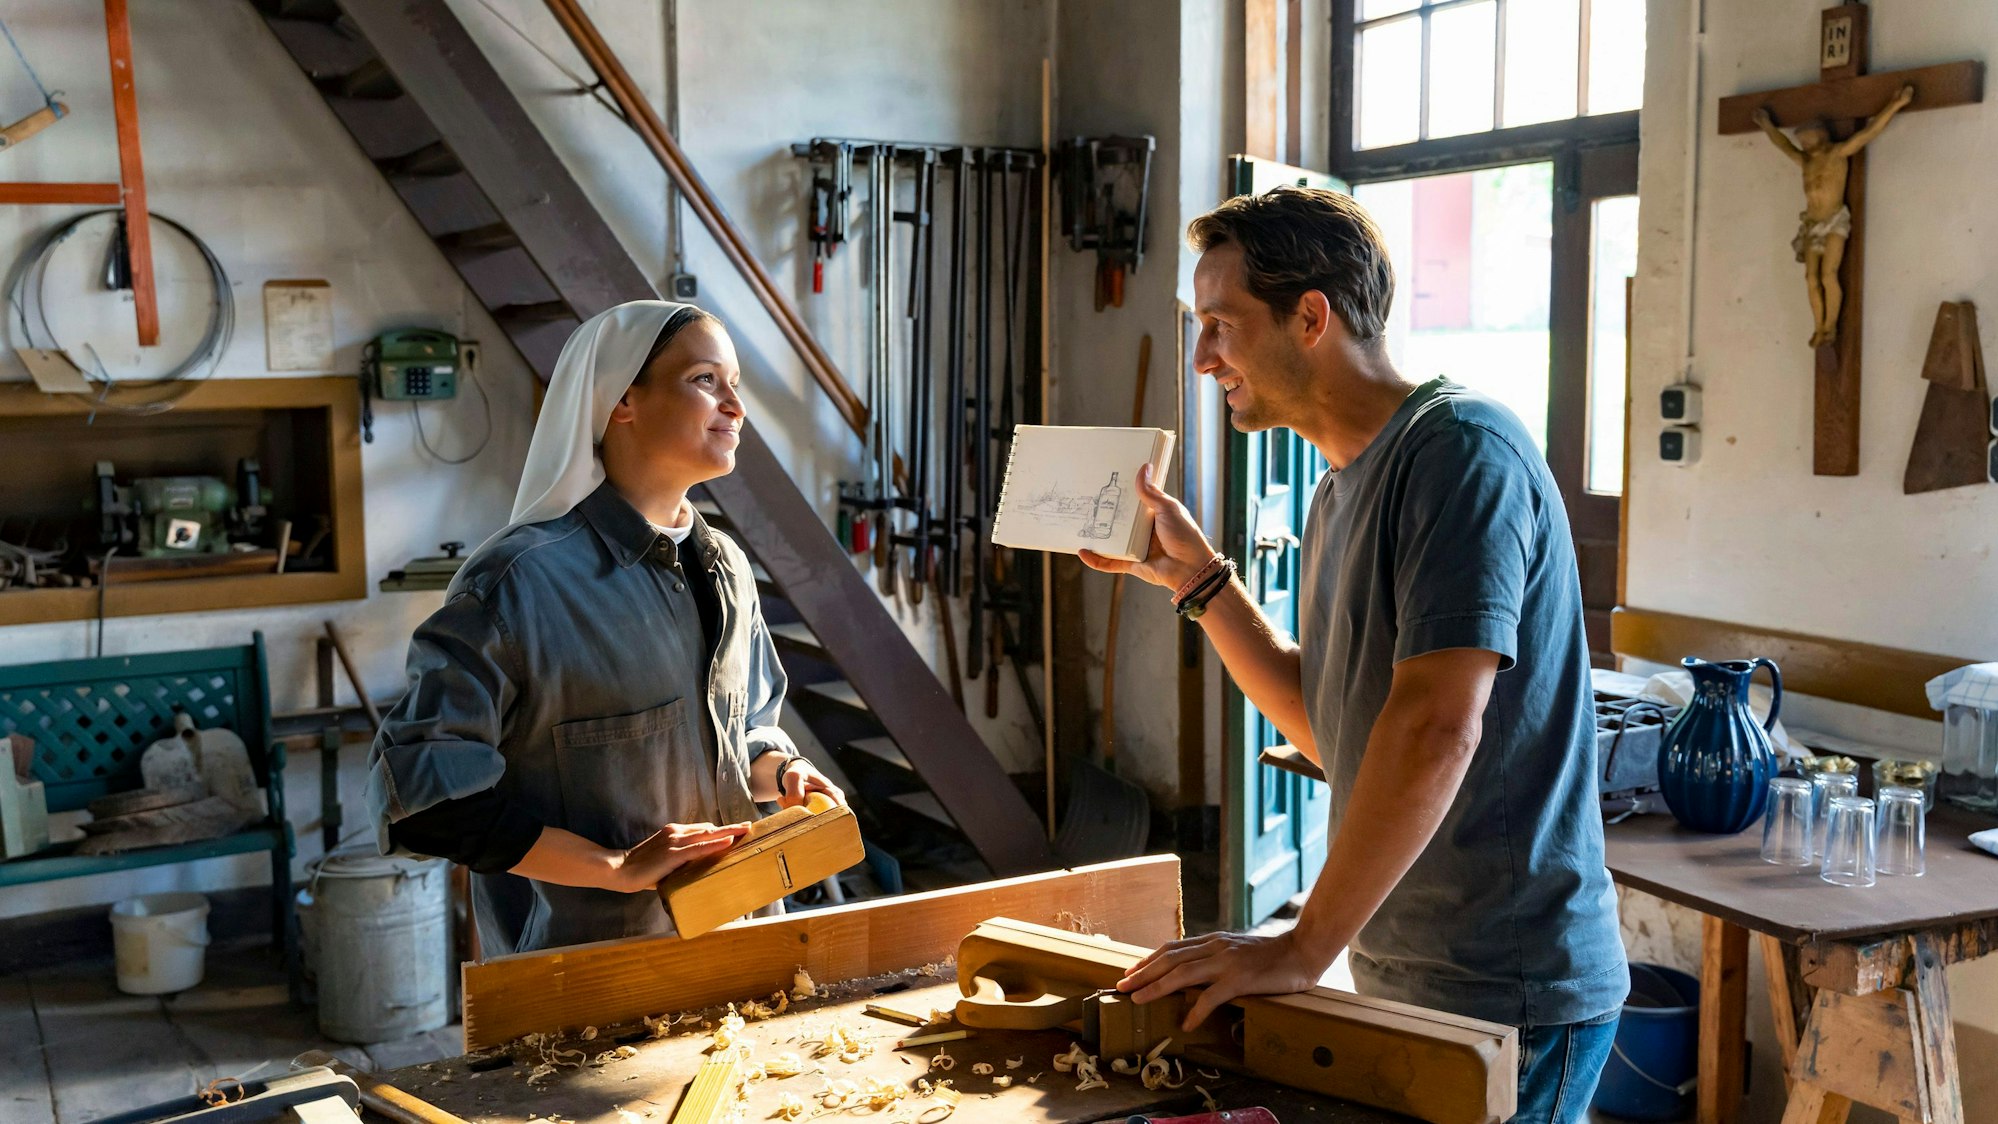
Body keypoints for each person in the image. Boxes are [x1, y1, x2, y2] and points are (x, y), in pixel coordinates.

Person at [1082, 187, 1626, 1124]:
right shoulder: (1339, 488)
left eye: (1220, 325)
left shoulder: (1461, 451)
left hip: (1510, 986)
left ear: (1310, 317)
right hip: (1407, 965)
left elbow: (1436, 726)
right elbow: (1335, 729)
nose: (1204, 358)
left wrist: (1300, 947)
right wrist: (1199, 581)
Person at [365, 301, 844, 956]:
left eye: (734, 384)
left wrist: (784, 771)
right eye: (706, 380)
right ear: (622, 401)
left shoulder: (727, 567)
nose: (735, 406)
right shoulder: (517, 584)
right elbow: (425, 796)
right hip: (590, 972)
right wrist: (614, 867)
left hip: (746, 941)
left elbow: (742, 732)